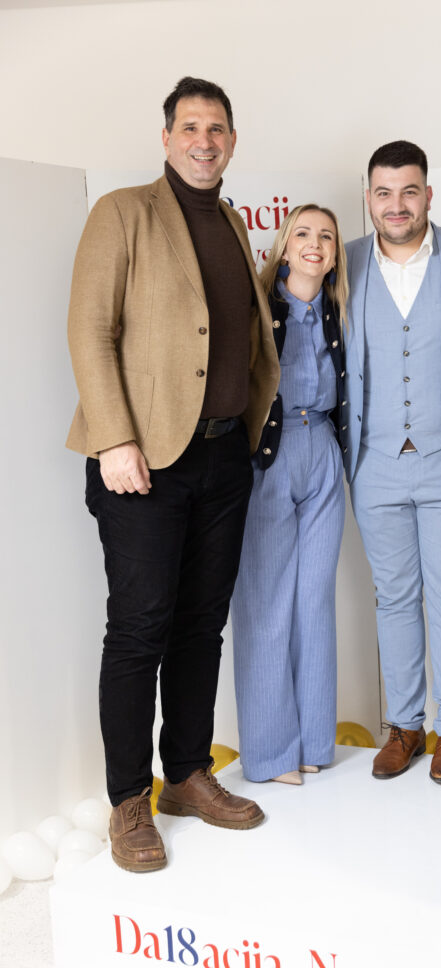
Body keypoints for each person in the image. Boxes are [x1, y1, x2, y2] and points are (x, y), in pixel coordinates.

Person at [66, 76, 280, 871]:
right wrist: (115, 439)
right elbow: (89, 329)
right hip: (142, 462)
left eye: (216, 128)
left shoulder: (229, 220)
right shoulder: (123, 212)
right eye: (189, 127)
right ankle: (129, 800)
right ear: (166, 139)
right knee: (139, 628)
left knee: (200, 624)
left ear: (232, 141)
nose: (203, 140)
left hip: (223, 456)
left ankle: (187, 772)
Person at [344, 141, 441, 784]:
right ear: (369, 198)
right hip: (374, 462)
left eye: (409, 191)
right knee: (394, 597)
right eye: (384, 193)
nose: (396, 205)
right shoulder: (344, 260)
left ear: (428, 194)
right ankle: (404, 726)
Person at [231, 205, 348, 785]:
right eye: (302, 232)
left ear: (335, 252)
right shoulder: (259, 307)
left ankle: (314, 742)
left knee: (315, 600)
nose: (314, 243)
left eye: (325, 235)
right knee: (265, 604)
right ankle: (270, 752)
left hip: (323, 448)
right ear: (283, 245)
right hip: (270, 456)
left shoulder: (338, 309)